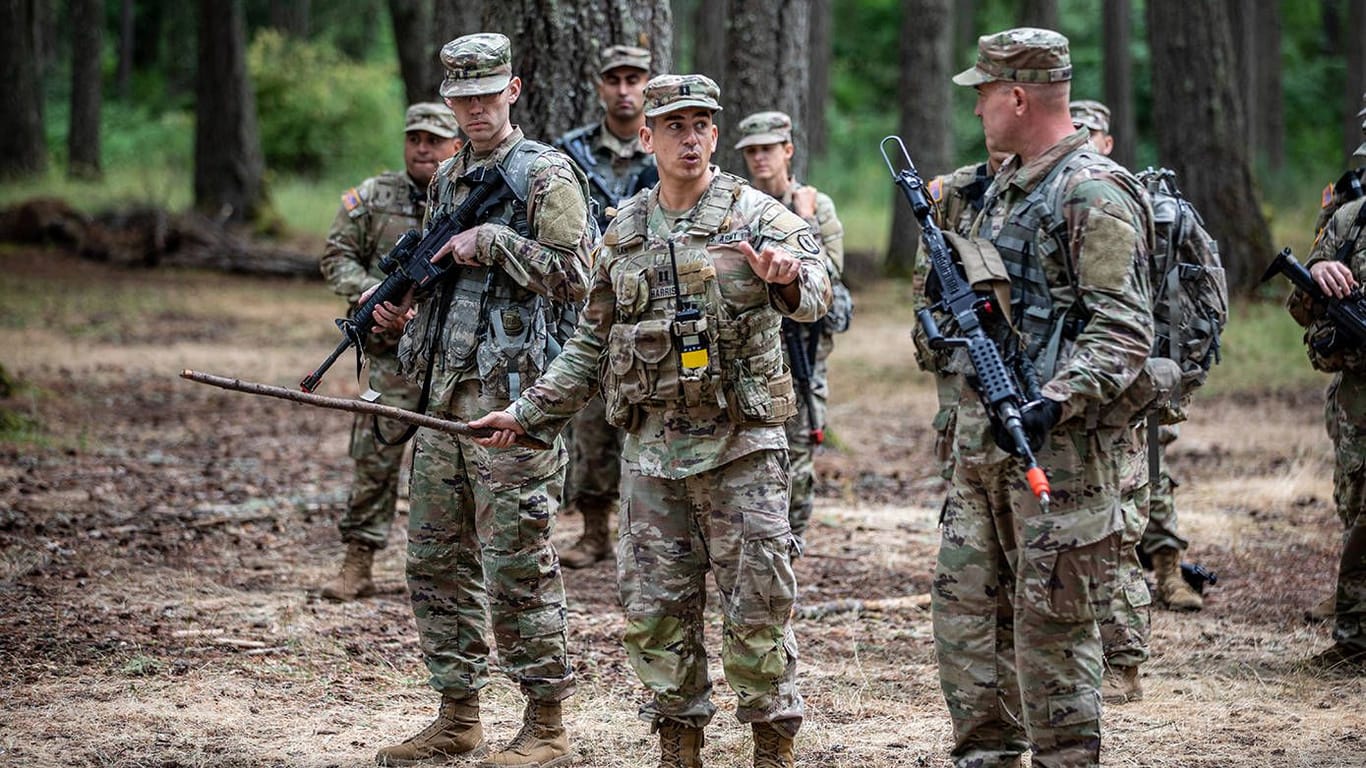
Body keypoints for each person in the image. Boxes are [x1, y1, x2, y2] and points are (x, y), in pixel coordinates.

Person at [469, 73, 831, 768]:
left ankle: (771, 748)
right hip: (652, 457)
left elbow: (816, 292)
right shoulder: (624, 230)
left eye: (701, 125)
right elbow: (588, 342)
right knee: (658, 615)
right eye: (674, 126)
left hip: (741, 453)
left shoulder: (756, 216)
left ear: (715, 136)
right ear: (648, 137)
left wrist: (785, 275)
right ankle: (678, 746)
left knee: (757, 610)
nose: (689, 138)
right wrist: (528, 413)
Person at [366, 33, 595, 768]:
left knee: (518, 564)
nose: (471, 108)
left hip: (514, 405)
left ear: (514, 90)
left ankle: (546, 726)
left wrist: (494, 242)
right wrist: (396, 315)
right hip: (443, 403)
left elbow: (578, 278)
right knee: (433, 561)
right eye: (459, 97)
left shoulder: (545, 175)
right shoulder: (448, 176)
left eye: (485, 94)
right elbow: (439, 289)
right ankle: (457, 713)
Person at [933, 28, 1154, 766]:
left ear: (1018, 96)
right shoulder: (998, 188)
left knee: (1051, 639)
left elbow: (1124, 329)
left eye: (985, 95)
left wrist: (1052, 401)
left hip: (1056, 458)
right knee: (968, 627)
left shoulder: (1090, 191)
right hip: (981, 452)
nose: (978, 112)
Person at [317, 102, 459, 602]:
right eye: (415, 138)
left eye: (435, 139)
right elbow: (335, 256)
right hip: (390, 357)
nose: (423, 147)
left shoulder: (466, 199)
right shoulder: (373, 197)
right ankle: (358, 560)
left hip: (453, 358)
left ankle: (449, 575)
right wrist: (375, 291)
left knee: (453, 468)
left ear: (455, 146)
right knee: (375, 459)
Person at [552, 43, 658, 569]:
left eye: (633, 79)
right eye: (614, 79)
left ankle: (646, 535)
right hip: (591, 305)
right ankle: (595, 531)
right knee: (591, 425)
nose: (624, 90)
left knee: (650, 416)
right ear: (599, 85)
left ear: (647, 83)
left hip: (653, 308)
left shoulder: (665, 147)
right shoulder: (569, 153)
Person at [734, 109, 848, 552]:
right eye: (752, 152)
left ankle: (791, 544)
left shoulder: (815, 205)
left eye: (768, 150)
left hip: (801, 349)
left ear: (788, 150)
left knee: (798, 455)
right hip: (752, 350)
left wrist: (807, 221)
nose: (760, 159)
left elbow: (829, 278)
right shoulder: (737, 205)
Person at [1287, 192, 1366, 670]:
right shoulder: (1351, 222)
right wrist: (1315, 276)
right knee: (1359, 516)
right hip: (1360, 406)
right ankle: (1356, 641)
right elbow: (1300, 309)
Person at [917, 149, 1009, 481]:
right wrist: (937, 348)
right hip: (961, 344)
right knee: (961, 461)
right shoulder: (953, 191)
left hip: (1014, 348)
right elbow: (923, 289)